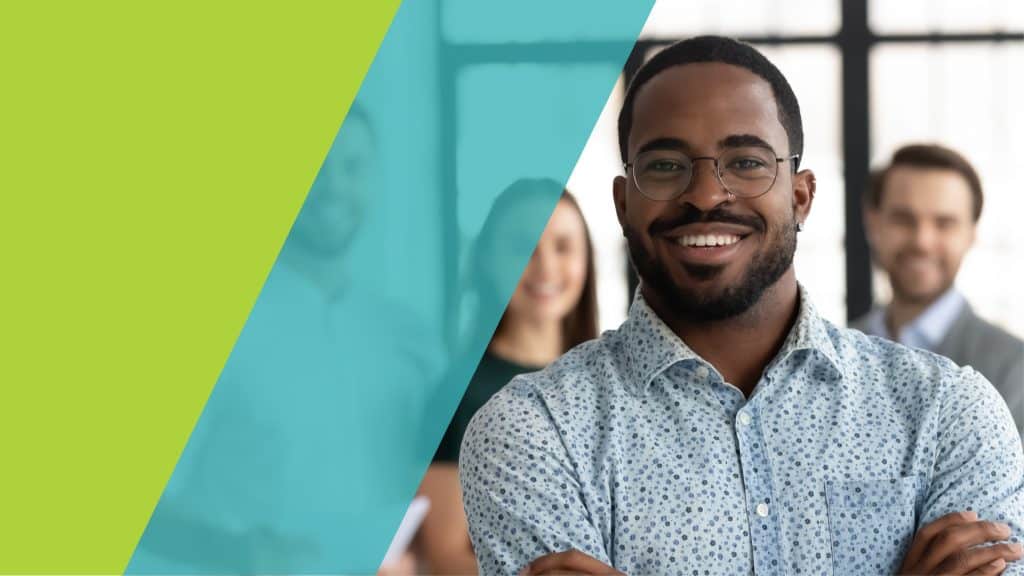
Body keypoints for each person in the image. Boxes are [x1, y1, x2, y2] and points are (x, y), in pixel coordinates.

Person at [459, 36, 1024, 575]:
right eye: (664, 165)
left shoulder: (948, 413)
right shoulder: (534, 430)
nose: (705, 195)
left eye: (748, 162)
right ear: (623, 203)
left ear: (800, 196)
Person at [416, 181, 598, 574]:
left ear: (586, 260)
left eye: (563, 247)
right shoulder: (456, 396)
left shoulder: (614, 383)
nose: (546, 266)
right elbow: (445, 554)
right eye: (522, 248)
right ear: (486, 260)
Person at [851, 144, 1024, 435]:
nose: (922, 241)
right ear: (873, 222)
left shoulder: (1013, 368)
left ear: (971, 233)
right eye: (904, 220)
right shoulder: (833, 351)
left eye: (944, 223)